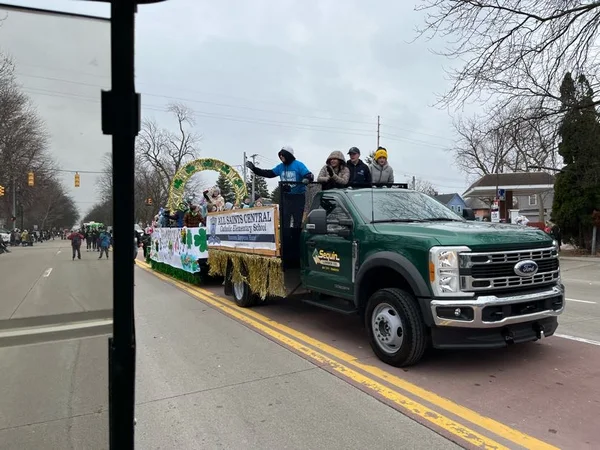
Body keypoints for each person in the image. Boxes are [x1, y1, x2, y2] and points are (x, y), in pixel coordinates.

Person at [246, 145, 313, 228]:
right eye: (280, 155)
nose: (281, 156)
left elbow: (308, 175)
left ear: (288, 155)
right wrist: (254, 169)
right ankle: (285, 239)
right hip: (286, 197)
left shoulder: (298, 165)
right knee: (285, 221)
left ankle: (296, 238)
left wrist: (306, 178)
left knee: (297, 221)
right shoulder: (280, 167)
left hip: (298, 197)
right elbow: (269, 173)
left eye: (283, 154)